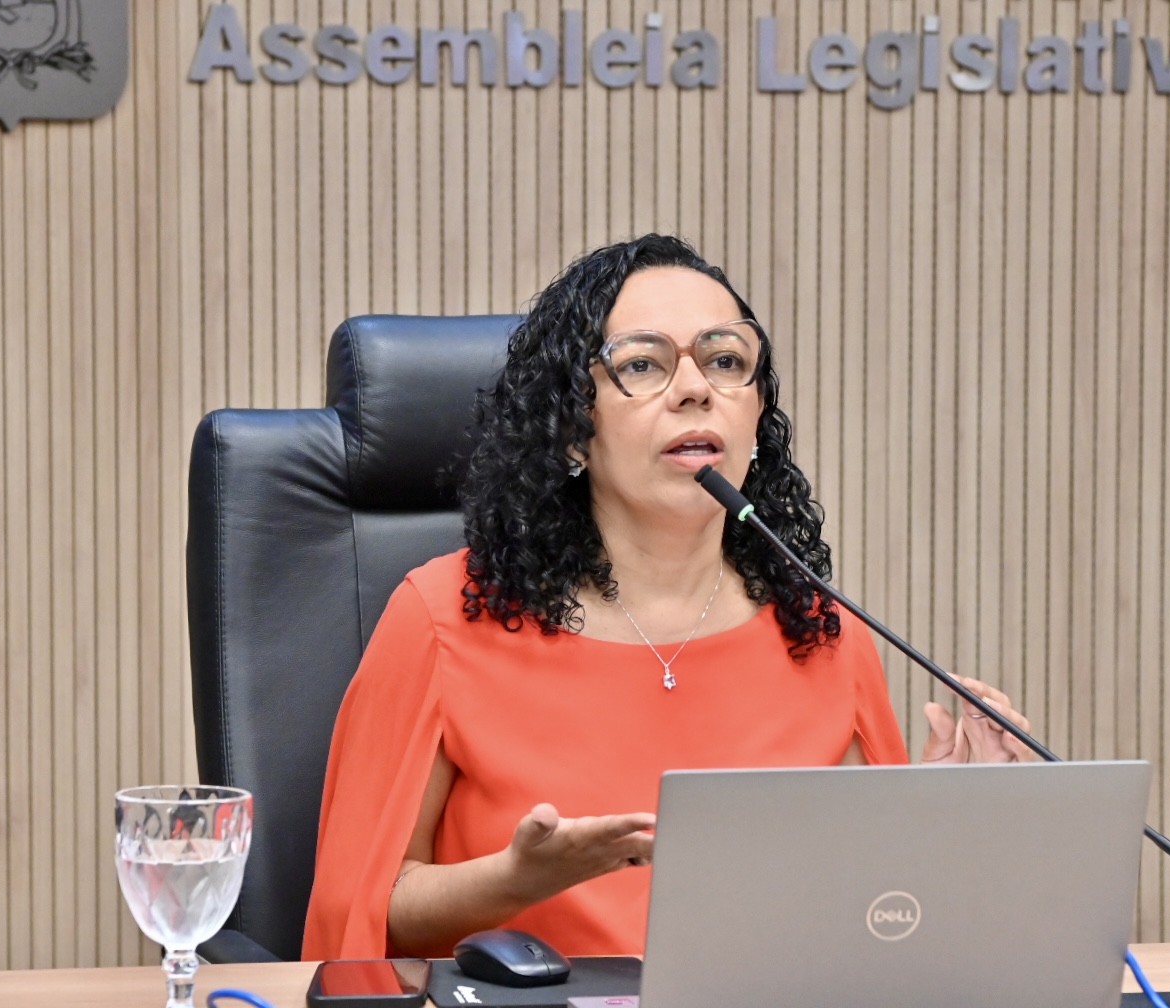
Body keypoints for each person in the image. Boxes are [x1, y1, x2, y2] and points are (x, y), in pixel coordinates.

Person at [301, 234, 1033, 961]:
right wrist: (517, 881)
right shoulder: (443, 617)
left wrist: (940, 820)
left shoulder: (819, 629)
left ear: (756, 417)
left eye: (725, 361)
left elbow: (868, 919)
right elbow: (364, 916)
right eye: (643, 364)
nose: (695, 389)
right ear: (572, 430)